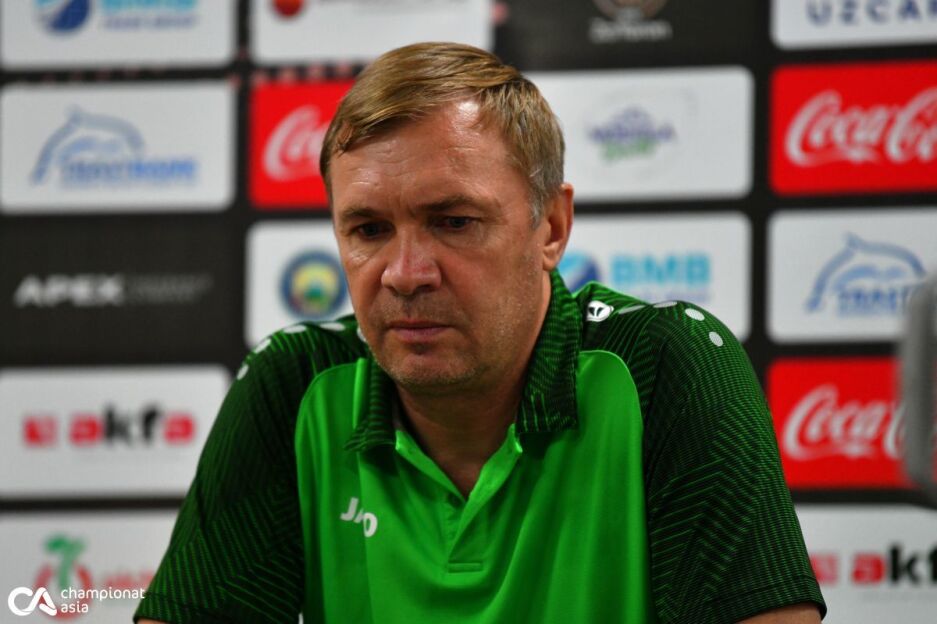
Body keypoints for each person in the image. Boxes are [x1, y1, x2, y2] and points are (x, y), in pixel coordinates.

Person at [136, 42, 825, 623]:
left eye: (454, 221)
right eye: (369, 230)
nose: (405, 274)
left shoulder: (660, 367)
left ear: (550, 227)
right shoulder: (295, 385)